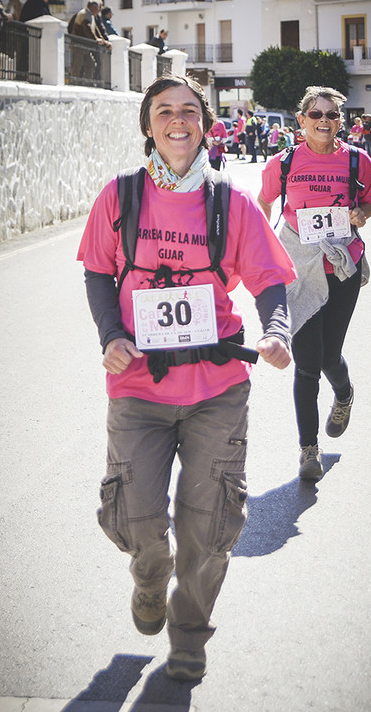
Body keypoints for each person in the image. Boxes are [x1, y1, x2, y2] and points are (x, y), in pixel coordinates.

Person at [77, 74, 296, 681]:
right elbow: (98, 272)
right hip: (138, 389)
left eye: (190, 111)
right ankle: (150, 576)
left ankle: (190, 631)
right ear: (148, 125)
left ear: (206, 122)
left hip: (217, 388)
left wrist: (277, 330)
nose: (179, 121)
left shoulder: (231, 201)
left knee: (210, 525)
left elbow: (269, 280)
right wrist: (111, 336)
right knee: (138, 519)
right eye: (165, 111)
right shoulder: (119, 197)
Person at [258, 85, 371, 481]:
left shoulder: (356, 161)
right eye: (316, 114)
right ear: (301, 121)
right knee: (308, 363)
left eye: (331, 115)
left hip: (342, 269)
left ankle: (344, 394)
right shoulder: (283, 162)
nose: (324, 121)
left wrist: (361, 215)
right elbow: (263, 202)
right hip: (299, 271)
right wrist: (268, 244)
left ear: (340, 122)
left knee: (330, 356)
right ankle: (309, 450)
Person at [70, 0, 110, 81]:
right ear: (93, 7)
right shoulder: (84, 14)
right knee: (77, 65)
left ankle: (87, 82)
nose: (99, 11)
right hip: (78, 45)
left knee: (90, 64)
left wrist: (103, 40)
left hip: (84, 45)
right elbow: (87, 29)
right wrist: (96, 40)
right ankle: (73, 82)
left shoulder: (91, 15)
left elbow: (95, 29)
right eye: (98, 8)